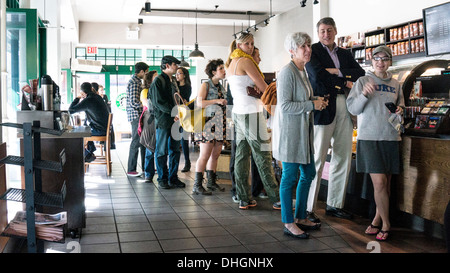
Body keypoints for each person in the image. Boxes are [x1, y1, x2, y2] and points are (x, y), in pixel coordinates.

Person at [305, 17, 366, 222]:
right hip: (324, 106)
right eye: (322, 31)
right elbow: (317, 75)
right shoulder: (312, 51)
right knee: (318, 159)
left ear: (335, 31)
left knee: (342, 156)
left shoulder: (344, 53)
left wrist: (338, 71)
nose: (326, 34)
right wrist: (344, 83)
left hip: (346, 107)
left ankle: (334, 204)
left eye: (329, 30)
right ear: (318, 32)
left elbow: (360, 73)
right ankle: (308, 208)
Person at [346, 45, 404, 241]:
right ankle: (387, 225)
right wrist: (363, 94)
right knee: (379, 183)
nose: (381, 62)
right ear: (372, 61)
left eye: (385, 58)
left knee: (385, 185)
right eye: (377, 58)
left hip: (391, 137)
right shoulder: (363, 81)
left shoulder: (396, 84)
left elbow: (401, 106)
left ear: (390, 61)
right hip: (369, 138)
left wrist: (400, 110)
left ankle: (377, 219)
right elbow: (353, 109)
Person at [273, 32, 327, 239]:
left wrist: (317, 100)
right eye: (302, 46)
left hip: (304, 134)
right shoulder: (287, 72)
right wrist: (311, 104)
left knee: (309, 174)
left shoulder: (302, 71)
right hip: (291, 134)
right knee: (289, 178)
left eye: (308, 45)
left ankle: (300, 216)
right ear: (292, 51)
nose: (308, 49)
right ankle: (288, 222)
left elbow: (302, 98)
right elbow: (285, 106)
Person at [225, 32, 280, 210]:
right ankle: (276, 198)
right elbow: (264, 87)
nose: (250, 47)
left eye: (251, 43)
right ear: (239, 45)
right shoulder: (247, 61)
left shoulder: (231, 63)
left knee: (242, 155)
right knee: (263, 154)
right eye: (247, 44)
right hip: (252, 113)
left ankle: (243, 197)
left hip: (239, 113)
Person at [228, 47, 266, 202]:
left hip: (246, 112)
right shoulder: (243, 64)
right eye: (257, 55)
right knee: (245, 154)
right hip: (244, 113)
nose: (258, 58)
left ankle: (247, 192)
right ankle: (240, 191)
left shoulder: (242, 68)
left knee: (243, 154)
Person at [192, 59, 228, 195]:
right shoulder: (206, 85)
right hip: (208, 124)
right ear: (213, 72)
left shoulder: (221, 86)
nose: (224, 71)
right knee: (204, 155)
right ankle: (197, 185)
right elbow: (200, 103)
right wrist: (217, 101)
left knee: (215, 155)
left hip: (220, 124)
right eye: (221, 68)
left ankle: (212, 182)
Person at [149, 56, 185, 189]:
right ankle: (162, 178)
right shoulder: (158, 81)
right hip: (164, 121)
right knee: (162, 150)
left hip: (175, 120)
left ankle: (173, 177)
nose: (177, 67)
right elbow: (158, 102)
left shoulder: (173, 80)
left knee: (175, 150)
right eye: (175, 65)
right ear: (167, 65)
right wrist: (174, 113)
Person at [69, 82, 109, 163]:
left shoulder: (88, 100)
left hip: (100, 130)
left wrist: (77, 98)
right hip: (104, 128)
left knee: (77, 134)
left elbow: (71, 110)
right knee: (85, 129)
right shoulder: (97, 97)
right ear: (91, 88)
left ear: (83, 93)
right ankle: (89, 153)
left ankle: (87, 155)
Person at [126, 62, 149, 177]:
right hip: (136, 115)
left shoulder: (136, 81)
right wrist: (146, 105)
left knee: (141, 141)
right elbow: (134, 102)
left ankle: (145, 167)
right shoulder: (135, 82)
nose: (146, 74)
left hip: (137, 115)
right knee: (136, 141)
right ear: (141, 72)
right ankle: (131, 169)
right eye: (146, 72)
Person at [140, 70, 158, 182]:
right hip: (150, 119)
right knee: (149, 145)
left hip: (158, 118)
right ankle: (148, 173)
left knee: (158, 146)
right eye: (155, 77)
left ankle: (158, 173)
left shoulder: (159, 90)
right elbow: (148, 105)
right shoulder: (145, 91)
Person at [176, 67, 192, 173]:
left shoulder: (187, 87)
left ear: (184, 75)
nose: (177, 75)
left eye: (179, 73)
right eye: (176, 73)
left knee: (184, 140)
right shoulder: (174, 86)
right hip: (175, 114)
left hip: (184, 114)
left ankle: (187, 162)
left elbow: (185, 101)